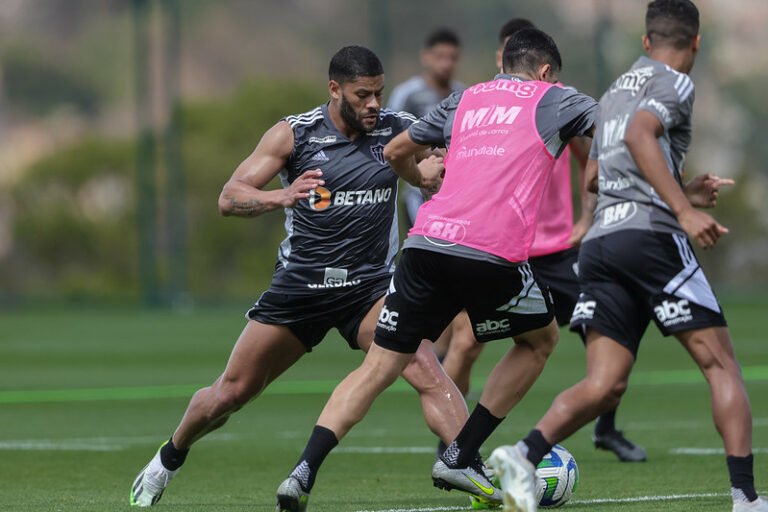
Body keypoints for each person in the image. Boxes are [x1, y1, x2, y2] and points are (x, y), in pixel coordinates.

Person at [128, 45, 470, 508]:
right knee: (231, 393)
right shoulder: (295, 133)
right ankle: (168, 458)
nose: (373, 104)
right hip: (301, 289)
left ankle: (472, 466)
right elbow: (230, 198)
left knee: (426, 367)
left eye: (378, 93)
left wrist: (433, 171)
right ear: (334, 90)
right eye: (362, 94)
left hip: (369, 289)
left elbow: (436, 164)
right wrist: (281, 196)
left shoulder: (395, 130)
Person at [275, 28, 597, 512]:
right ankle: (462, 454)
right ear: (547, 71)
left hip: (426, 243)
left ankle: (302, 472)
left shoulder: (464, 99)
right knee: (540, 340)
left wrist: (423, 182)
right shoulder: (554, 98)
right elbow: (621, 125)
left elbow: (394, 151)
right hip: (490, 249)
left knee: (379, 367)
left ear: (502, 61)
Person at [488, 2, 767, 512]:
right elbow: (641, 136)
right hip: (651, 239)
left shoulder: (615, 91)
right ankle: (747, 499)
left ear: (644, 41)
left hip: (600, 245)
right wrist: (682, 209)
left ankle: (523, 456)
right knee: (721, 365)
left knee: (603, 384)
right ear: (696, 43)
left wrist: (682, 191)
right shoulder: (677, 83)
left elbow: (595, 177)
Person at [441, 16, 647, 465]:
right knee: (466, 342)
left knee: (608, 328)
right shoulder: (483, 106)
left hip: (556, 249)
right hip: (498, 246)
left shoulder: (556, 105)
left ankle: (606, 426)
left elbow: (591, 156)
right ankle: (452, 440)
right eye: (501, 56)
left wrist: (587, 219)